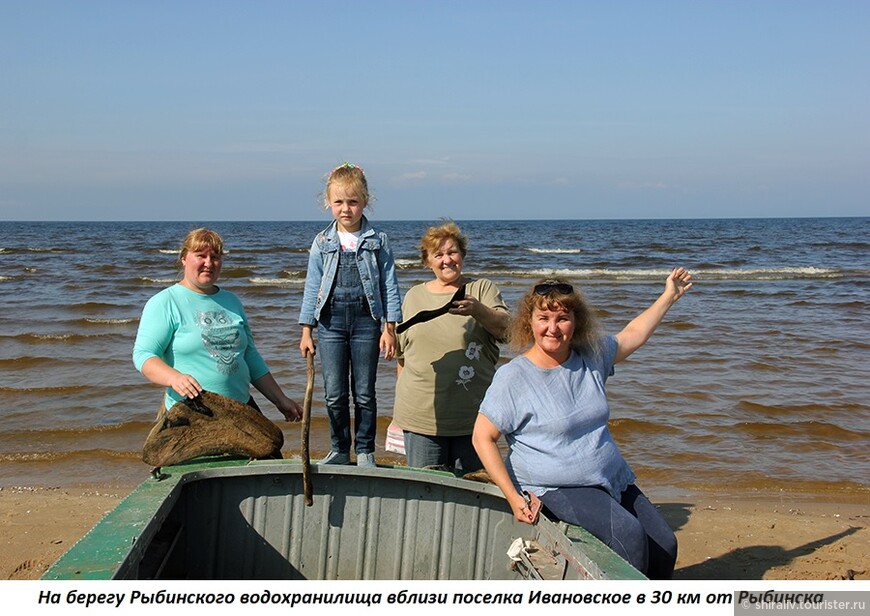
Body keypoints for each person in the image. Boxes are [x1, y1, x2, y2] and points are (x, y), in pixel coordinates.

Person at [472, 269, 693, 579]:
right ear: (528, 322)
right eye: (543, 319)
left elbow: (632, 335)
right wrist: (513, 496)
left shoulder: (590, 356)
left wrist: (668, 296)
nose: (552, 328)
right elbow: (482, 437)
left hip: (608, 475)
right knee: (629, 537)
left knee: (664, 545)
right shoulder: (514, 377)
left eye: (562, 318)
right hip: (558, 485)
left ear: (576, 323)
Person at [133, 228, 303, 424]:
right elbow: (144, 355)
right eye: (200, 256)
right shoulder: (165, 302)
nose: (208, 263)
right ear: (184, 259)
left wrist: (280, 400)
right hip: (191, 411)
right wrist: (174, 378)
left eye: (215, 257)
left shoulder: (231, 301)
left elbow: (250, 356)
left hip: (241, 407)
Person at [298, 163, 402, 468]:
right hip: (330, 324)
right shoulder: (322, 243)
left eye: (353, 202)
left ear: (365, 201)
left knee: (364, 393)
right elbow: (311, 288)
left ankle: (366, 450)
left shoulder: (378, 241)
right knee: (334, 393)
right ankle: (340, 448)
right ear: (328, 203)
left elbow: (389, 286)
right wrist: (306, 330)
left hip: (366, 323)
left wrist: (390, 328)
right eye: (339, 202)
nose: (346, 209)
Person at [393, 221, 508, 474]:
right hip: (420, 419)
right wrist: (397, 416)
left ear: (463, 255)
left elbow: (506, 330)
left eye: (452, 252)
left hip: (473, 420)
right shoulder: (413, 296)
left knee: (472, 494)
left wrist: (477, 309)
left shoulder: (482, 289)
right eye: (439, 254)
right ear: (427, 262)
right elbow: (402, 358)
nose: (447, 260)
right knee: (426, 493)